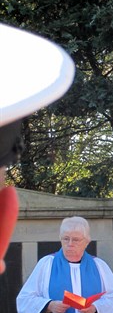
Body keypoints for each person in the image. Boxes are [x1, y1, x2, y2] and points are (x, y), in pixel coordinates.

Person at [0, 23, 74, 274]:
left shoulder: (98, 267)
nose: (71, 243)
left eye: (75, 239)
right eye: (67, 238)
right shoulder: (45, 266)